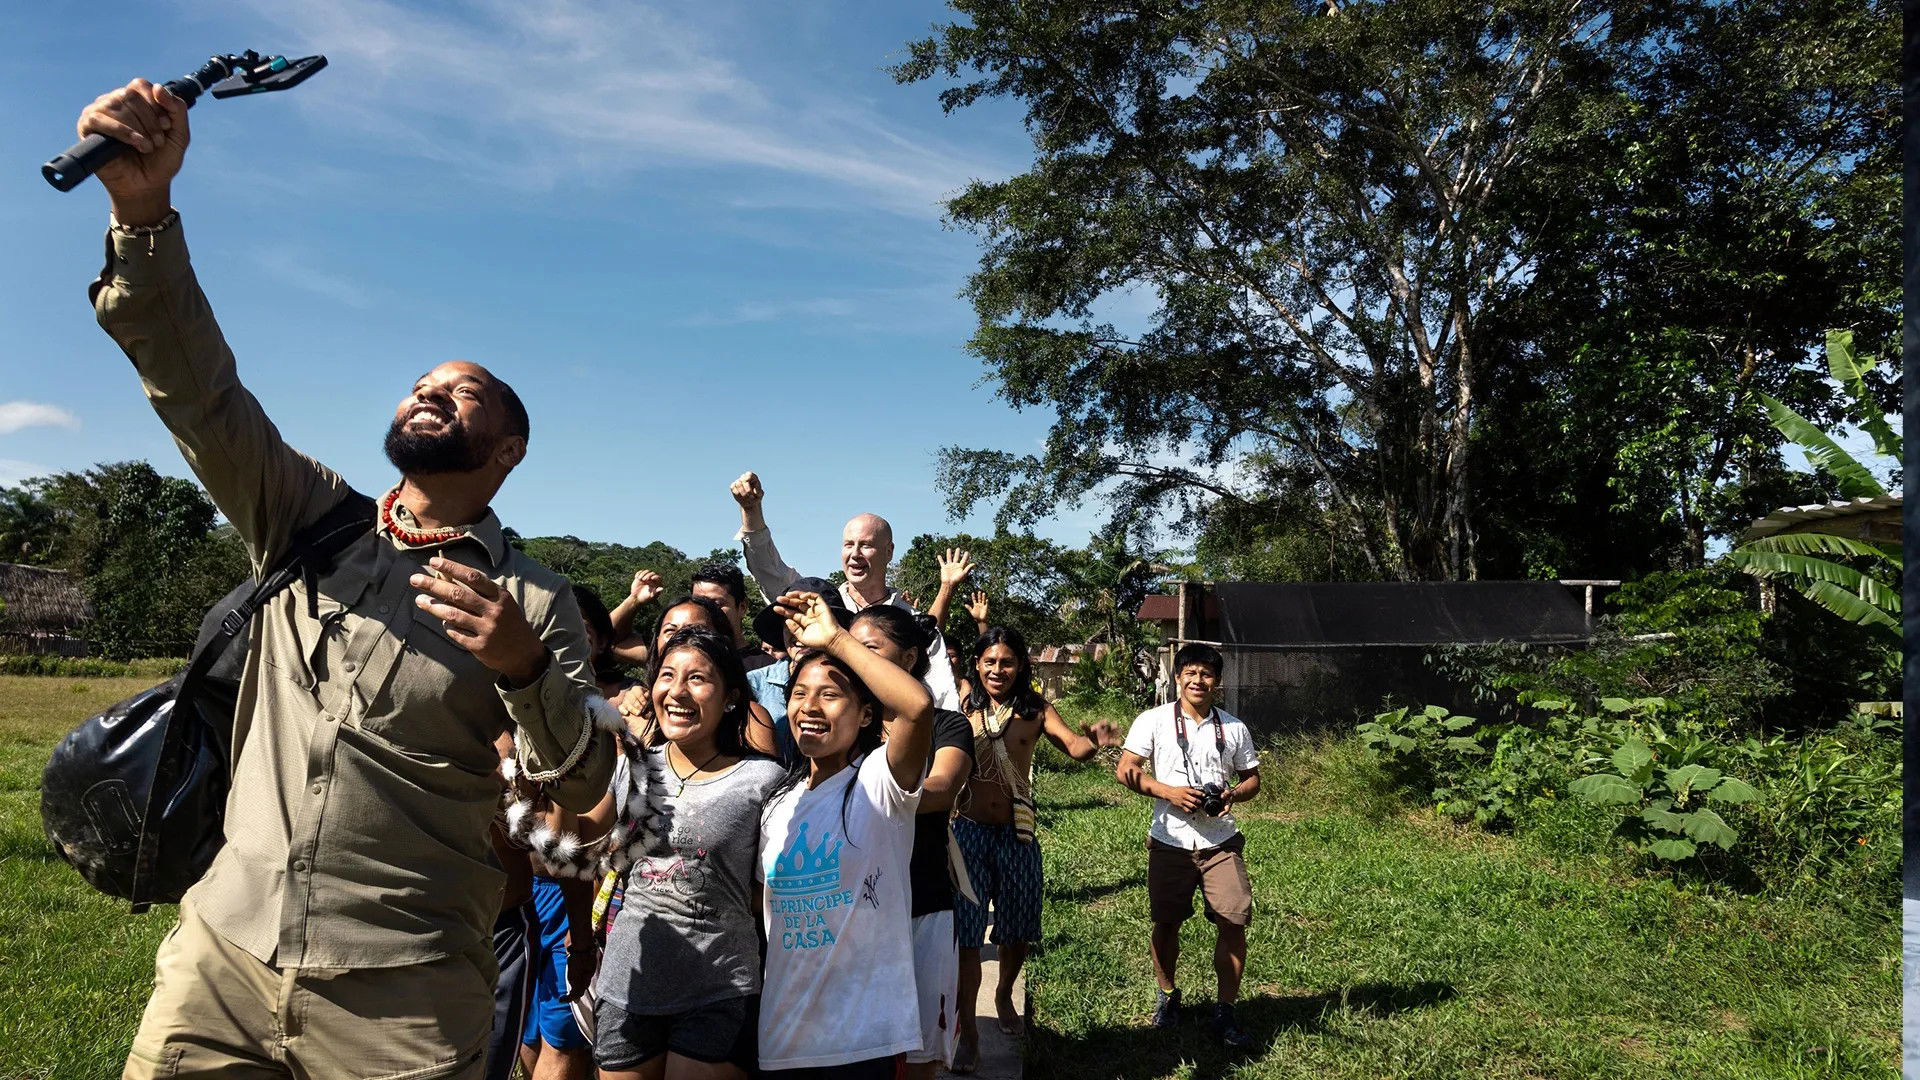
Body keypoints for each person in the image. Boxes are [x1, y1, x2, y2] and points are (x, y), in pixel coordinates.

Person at [80, 79, 616, 1078]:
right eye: (421, 385)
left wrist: (523, 666)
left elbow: (584, 780)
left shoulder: (535, 600)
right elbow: (202, 397)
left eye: (463, 392)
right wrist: (143, 216)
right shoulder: (307, 515)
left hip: (405, 994)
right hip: (225, 957)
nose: (430, 393)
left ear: (509, 448)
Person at [590, 626, 787, 1079]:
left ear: (731, 697)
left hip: (719, 987)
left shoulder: (763, 781)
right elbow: (579, 837)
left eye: (697, 678)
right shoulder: (633, 765)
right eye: (667, 675)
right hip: (628, 982)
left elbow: (769, 895)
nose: (677, 691)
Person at [757, 591, 935, 1077]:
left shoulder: (880, 783)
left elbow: (917, 707)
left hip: (864, 1039)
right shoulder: (778, 804)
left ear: (866, 715)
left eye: (830, 695)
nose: (810, 707)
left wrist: (835, 639)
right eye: (799, 694)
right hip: (784, 1037)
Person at [951, 626, 1121, 1069]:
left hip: (1017, 836)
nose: (998, 670)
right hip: (967, 832)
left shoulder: (1035, 710)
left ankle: (1004, 992)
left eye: (1007, 662)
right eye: (990, 661)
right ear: (977, 665)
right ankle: (969, 1031)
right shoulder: (963, 705)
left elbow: (1074, 746)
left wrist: (1094, 740)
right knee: (966, 936)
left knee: (1017, 929)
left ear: (1021, 666)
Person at [846, 606, 975, 1080]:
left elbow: (943, 788)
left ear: (909, 658)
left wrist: (875, 794)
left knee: (920, 1051)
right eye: (849, 648)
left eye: (869, 649)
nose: (856, 659)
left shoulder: (946, 725)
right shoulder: (847, 725)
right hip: (851, 910)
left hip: (923, 903)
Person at [1114, 643, 1262, 1050]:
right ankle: (1168, 994)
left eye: (1207, 674)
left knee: (1233, 920)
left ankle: (1225, 1009)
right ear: (1178, 677)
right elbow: (1125, 769)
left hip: (1220, 841)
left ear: (1218, 681)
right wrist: (1169, 792)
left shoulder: (1234, 727)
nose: (1199, 681)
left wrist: (1233, 794)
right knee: (1166, 922)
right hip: (1170, 840)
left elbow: (1252, 779)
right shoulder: (1153, 720)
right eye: (1191, 673)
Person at [729, 472, 960, 708]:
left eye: (866, 545)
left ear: (889, 551)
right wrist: (751, 511)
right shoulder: (818, 604)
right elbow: (769, 571)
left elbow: (943, 699)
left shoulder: (916, 624)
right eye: (849, 544)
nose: (855, 554)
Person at [744, 577, 856, 766]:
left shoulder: (857, 682)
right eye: (791, 620)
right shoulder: (753, 684)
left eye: (812, 620)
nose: (801, 630)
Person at [692, 561, 776, 673]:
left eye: (716, 604)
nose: (706, 611)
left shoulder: (768, 670)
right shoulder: (681, 661)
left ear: (742, 607)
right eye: (698, 604)